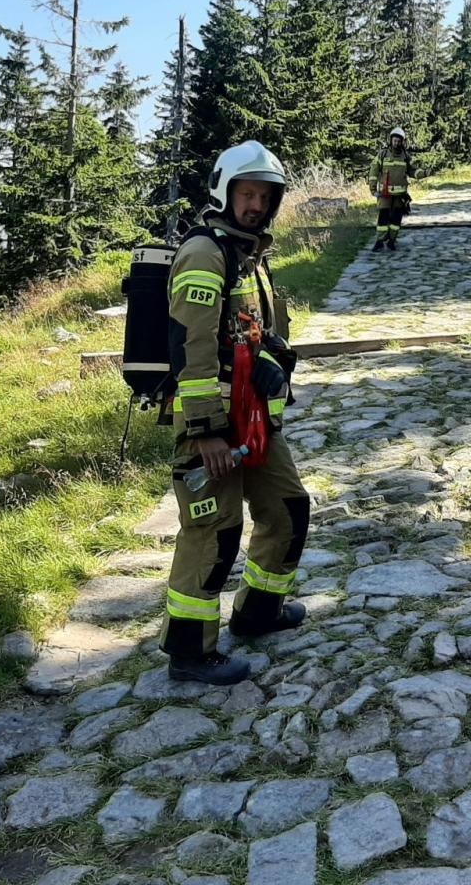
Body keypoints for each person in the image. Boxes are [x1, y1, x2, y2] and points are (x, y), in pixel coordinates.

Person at [161, 141, 310, 686]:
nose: (255, 205)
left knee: (288, 510)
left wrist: (273, 361)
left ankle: (258, 613)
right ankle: (189, 652)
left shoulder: (249, 254)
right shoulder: (205, 253)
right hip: (215, 429)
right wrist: (207, 432)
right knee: (213, 534)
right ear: (225, 192)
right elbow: (192, 348)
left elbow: (252, 333)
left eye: (264, 197)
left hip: (255, 422)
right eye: (246, 194)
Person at [367, 127, 413, 251]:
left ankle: (392, 241)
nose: (396, 143)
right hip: (385, 194)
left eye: (399, 141)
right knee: (383, 217)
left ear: (402, 142)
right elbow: (374, 171)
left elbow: (412, 171)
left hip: (400, 195)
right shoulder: (383, 154)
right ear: (391, 140)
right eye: (394, 140)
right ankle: (379, 241)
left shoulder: (405, 156)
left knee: (396, 220)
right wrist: (373, 189)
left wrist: (425, 173)